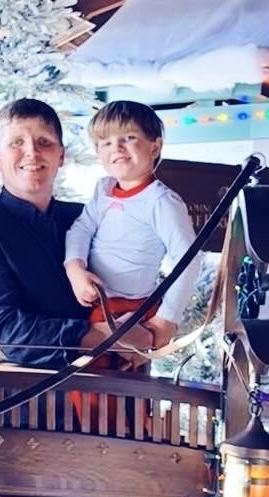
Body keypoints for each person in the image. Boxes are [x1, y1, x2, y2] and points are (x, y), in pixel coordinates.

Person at [0, 98, 95, 368]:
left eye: (44, 142)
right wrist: (108, 337)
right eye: (17, 142)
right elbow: (5, 334)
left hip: (119, 385)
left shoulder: (87, 218)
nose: (32, 152)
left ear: (61, 156)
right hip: (30, 391)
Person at [64, 100, 197, 352]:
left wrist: (168, 318)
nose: (116, 147)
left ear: (154, 147)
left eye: (129, 137)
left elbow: (187, 260)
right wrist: (75, 269)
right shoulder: (104, 190)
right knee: (88, 370)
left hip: (133, 309)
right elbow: (81, 229)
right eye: (105, 142)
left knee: (116, 371)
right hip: (97, 304)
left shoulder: (160, 201)